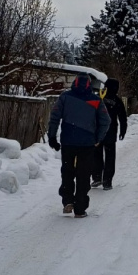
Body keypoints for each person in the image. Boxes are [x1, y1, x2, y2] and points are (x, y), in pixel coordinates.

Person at [48, 73, 111, 218]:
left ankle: (68, 200)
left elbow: (55, 116)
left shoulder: (65, 97)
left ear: (74, 83)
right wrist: (98, 138)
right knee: (83, 175)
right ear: (90, 85)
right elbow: (106, 121)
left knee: (67, 171)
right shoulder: (95, 100)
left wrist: (52, 136)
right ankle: (80, 208)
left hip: (68, 142)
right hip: (87, 144)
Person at [91, 78, 128, 190]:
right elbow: (122, 118)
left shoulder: (98, 97)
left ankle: (97, 177)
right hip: (111, 132)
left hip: (97, 132)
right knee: (110, 158)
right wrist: (122, 131)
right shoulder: (117, 101)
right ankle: (107, 182)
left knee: (96, 155)